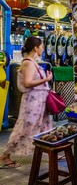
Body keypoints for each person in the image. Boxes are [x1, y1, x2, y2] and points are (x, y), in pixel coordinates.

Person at [0, 37, 53, 168]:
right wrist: (46, 78)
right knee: (24, 129)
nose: (42, 49)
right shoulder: (28, 63)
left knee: (45, 127)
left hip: (39, 102)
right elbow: (27, 83)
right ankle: (5, 156)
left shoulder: (33, 62)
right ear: (36, 48)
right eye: (41, 46)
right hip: (32, 103)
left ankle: (52, 152)